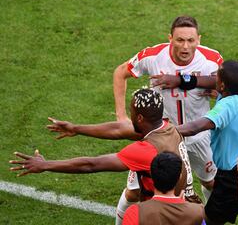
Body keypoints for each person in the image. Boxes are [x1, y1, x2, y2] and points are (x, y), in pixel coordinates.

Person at [9, 88, 193, 212]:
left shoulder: (146, 150)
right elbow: (119, 129)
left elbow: (91, 164)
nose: (129, 116)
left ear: (139, 118)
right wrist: (76, 128)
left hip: (164, 214)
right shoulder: (167, 127)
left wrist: (45, 165)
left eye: (131, 112)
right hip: (184, 205)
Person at [113, 15, 222, 220]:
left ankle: (210, 221)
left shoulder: (212, 60)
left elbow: (228, 89)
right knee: (134, 191)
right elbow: (120, 73)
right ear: (170, 38)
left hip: (200, 137)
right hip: (161, 138)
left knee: (210, 182)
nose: (185, 46)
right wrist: (121, 115)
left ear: (199, 39)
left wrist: (218, 95)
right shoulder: (154, 56)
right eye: (180, 40)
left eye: (191, 40)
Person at [177, 60, 238, 225]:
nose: (214, 77)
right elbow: (212, 82)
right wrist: (180, 80)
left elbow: (195, 127)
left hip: (231, 176)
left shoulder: (226, 106)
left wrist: (165, 130)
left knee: (209, 220)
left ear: (222, 86)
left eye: (217, 76)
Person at [123, 152, 204, 225]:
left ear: (152, 177)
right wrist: (184, 207)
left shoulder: (134, 213)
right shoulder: (198, 212)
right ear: (180, 177)